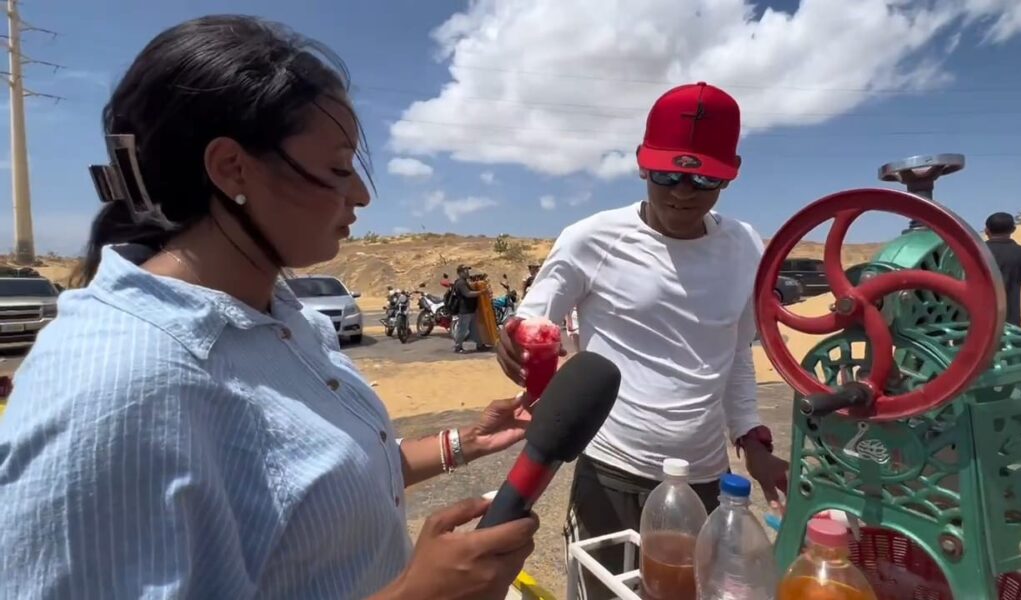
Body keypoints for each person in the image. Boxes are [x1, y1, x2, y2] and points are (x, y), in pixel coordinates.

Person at [0, 16, 537, 599]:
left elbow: (314, 487)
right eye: (336, 168)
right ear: (232, 168)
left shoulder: (285, 320)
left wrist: (463, 444)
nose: (359, 193)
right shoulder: (111, 387)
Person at [496, 82, 788, 599]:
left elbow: (735, 354)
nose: (681, 190)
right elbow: (533, 323)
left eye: (702, 177)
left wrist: (754, 441)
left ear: (731, 173)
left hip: (705, 480)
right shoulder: (592, 238)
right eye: (667, 173)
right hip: (613, 471)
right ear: (640, 163)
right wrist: (518, 344)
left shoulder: (745, 245)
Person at [451, 265, 491, 354]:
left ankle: (480, 345)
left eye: (467, 270)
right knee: (462, 329)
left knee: (475, 329)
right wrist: (481, 292)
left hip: (470, 310)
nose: (467, 272)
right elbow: (467, 294)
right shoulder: (460, 283)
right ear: (460, 272)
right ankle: (458, 347)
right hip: (465, 311)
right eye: (465, 271)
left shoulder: (465, 282)